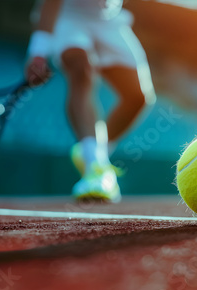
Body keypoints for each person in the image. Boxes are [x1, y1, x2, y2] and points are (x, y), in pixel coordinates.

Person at [25, 0, 155, 203]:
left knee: (139, 97)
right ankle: (95, 167)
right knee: (81, 69)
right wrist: (38, 52)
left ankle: (94, 151)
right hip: (68, 17)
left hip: (109, 19)